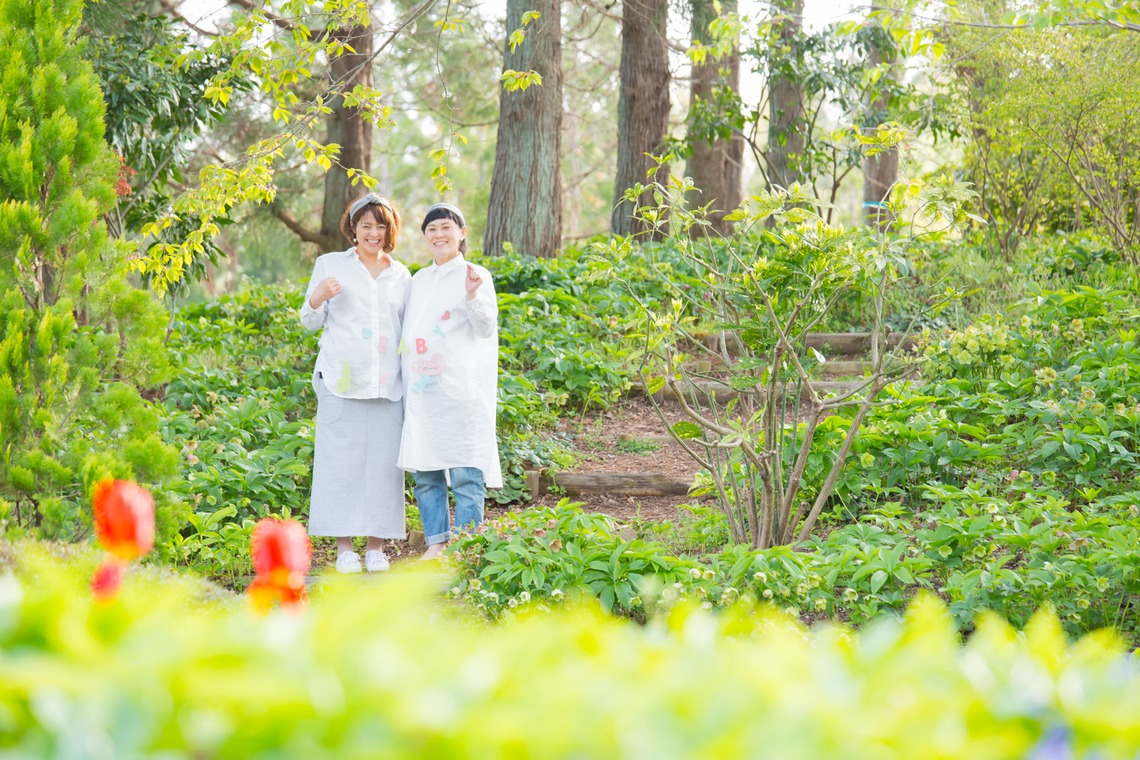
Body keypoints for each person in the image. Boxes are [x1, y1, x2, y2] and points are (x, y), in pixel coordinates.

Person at [299, 193, 410, 573]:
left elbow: (408, 331)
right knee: (339, 464)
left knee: (384, 466)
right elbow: (309, 321)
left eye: (380, 225)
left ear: (389, 230)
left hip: (386, 385)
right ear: (353, 228)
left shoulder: (401, 274)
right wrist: (317, 298)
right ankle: (344, 546)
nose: (373, 232)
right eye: (366, 225)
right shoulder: (330, 265)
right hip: (341, 380)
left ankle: (376, 546)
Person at [398, 202, 501, 560]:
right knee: (426, 469)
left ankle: (467, 545)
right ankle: (437, 542)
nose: (439, 235)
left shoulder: (475, 274)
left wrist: (472, 295)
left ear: (462, 233)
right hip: (423, 392)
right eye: (432, 229)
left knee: (466, 471)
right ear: (425, 237)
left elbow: (486, 326)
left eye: (446, 227)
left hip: (460, 390)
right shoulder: (419, 279)